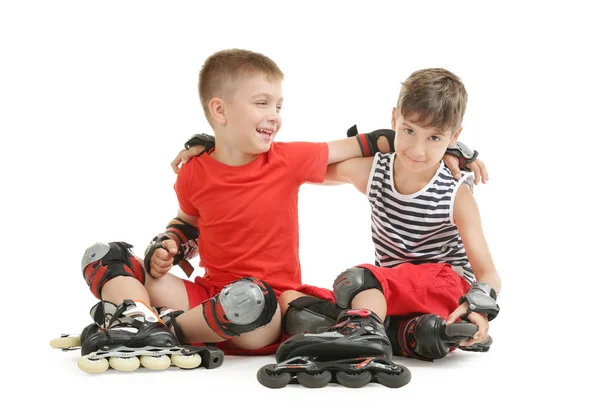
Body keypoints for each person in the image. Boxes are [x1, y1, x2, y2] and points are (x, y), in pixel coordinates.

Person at [82, 50, 486, 365]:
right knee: (105, 256)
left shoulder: (287, 159)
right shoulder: (194, 171)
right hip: (206, 295)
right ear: (219, 111)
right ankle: (135, 319)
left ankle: (159, 328)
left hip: (264, 307)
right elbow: (187, 223)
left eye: (278, 106)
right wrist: (168, 244)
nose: (275, 116)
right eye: (263, 104)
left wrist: (452, 149)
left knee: (253, 299)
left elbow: (371, 142)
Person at [272, 68, 500, 370]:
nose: (418, 150)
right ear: (393, 120)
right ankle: (411, 334)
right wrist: (237, 149)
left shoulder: (456, 193)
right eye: (408, 131)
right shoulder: (374, 171)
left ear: (454, 136)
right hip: (392, 290)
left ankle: (363, 337)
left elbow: (488, 274)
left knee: (357, 281)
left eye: (434, 137)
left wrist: (478, 309)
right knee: (293, 303)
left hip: (446, 288)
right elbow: (301, 167)